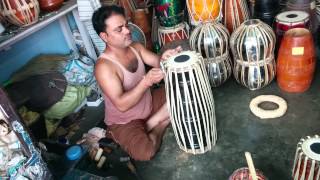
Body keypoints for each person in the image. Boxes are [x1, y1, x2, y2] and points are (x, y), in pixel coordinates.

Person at [92, 5, 182, 161]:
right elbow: (121, 104)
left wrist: (167, 57)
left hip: (148, 104)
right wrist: (146, 81)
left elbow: (157, 61)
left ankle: (150, 123)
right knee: (146, 152)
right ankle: (161, 123)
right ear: (104, 36)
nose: (127, 31)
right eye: (119, 29)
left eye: (126, 25)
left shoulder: (136, 47)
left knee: (184, 89)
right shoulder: (104, 67)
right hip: (125, 120)